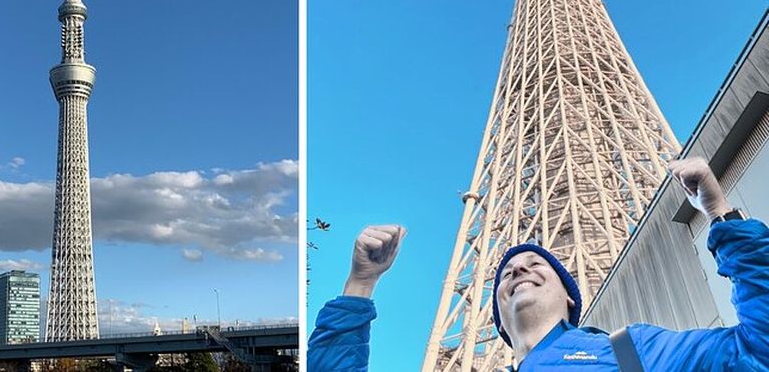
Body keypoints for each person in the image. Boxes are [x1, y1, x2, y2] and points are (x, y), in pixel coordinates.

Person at [307, 157, 769, 370]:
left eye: (536, 264)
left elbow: (759, 350)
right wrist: (360, 283)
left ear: (570, 295)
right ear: (499, 318)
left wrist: (719, 212)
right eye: (507, 273)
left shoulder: (635, 352)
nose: (518, 270)